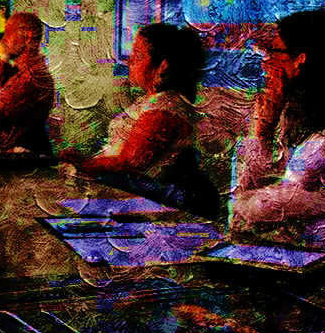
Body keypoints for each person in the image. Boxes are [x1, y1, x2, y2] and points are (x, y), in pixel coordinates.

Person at [230, 9, 325, 238]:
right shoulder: (314, 122)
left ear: (299, 60)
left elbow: (244, 218)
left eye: (273, 52)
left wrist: (261, 132)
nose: (265, 63)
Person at [59, 23, 219, 218]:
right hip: (129, 198)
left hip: (151, 208)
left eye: (139, 55)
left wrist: (83, 164)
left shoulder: (165, 109)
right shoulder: (153, 100)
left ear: (163, 66)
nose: (130, 61)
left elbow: (129, 163)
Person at [0, 11, 55, 154]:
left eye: (8, 33)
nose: (3, 40)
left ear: (27, 37)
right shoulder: (24, 73)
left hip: (23, 161)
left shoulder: (30, 78)